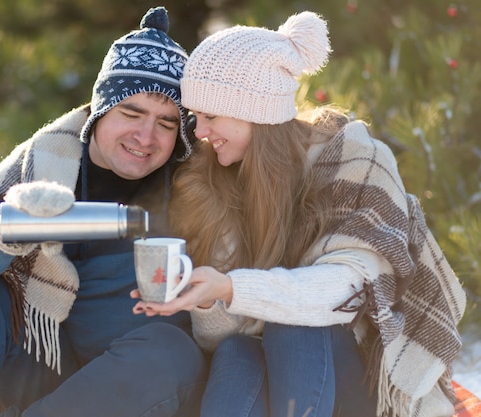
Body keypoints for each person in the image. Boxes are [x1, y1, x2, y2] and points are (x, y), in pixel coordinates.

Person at [132, 11, 467, 417]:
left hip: (361, 374)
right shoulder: (216, 181)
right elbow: (218, 339)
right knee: (238, 350)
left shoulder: (355, 159)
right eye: (195, 117)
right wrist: (206, 301)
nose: (198, 132)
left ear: (253, 110)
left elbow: (342, 289)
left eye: (210, 116)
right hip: (282, 376)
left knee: (293, 321)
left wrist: (231, 288)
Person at [0, 7, 207, 417]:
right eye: (130, 114)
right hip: (41, 363)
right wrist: (4, 234)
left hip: (128, 388)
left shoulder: (194, 185)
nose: (145, 137)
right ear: (99, 112)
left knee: (174, 351)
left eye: (166, 124)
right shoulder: (44, 162)